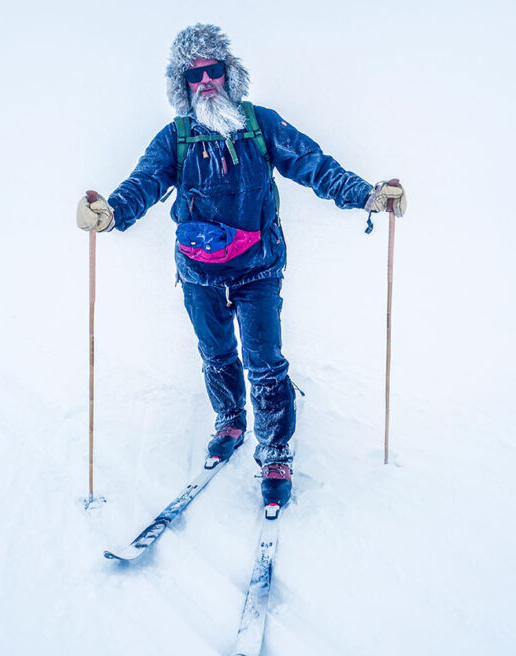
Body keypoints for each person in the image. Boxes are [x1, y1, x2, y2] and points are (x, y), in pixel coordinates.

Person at [77, 24, 406, 510]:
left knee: (264, 359)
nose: (205, 81)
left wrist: (369, 195)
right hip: (197, 269)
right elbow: (143, 182)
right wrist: (110, 213)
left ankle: (274, 450)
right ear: (182, 85)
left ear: (230, 76)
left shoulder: (261, 124)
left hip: (259, 266)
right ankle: (230, 418)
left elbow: (315, 164)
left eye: (214, 71)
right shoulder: (176, 138)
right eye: (195, 75)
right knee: (215, 352)